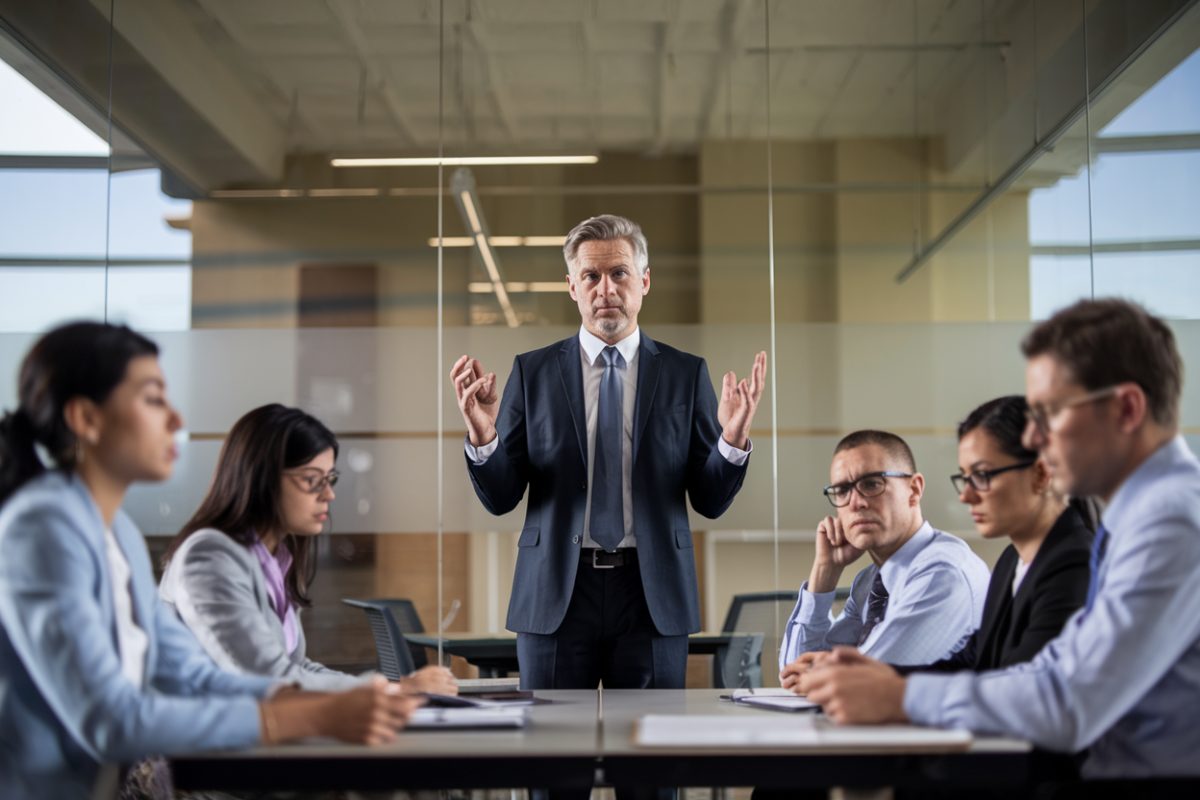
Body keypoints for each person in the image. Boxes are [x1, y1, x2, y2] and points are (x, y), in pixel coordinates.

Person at [0, 322, 419, 800]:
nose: (177, 420)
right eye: (154, 398)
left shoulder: (120, 535)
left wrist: (361, 698)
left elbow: (189, 674)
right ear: (86, 418)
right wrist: (307, 713)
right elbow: (109, 720)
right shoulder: (43, 529)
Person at [803, 298, 1200, 781]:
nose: (1034, 437)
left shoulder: (1170, 520)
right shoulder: (1139, 518)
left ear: (1127, 408)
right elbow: (1048, 670)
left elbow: (1069, 702)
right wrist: (887, 681)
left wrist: (901, 695)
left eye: (1049, 413)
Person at [451, 213, 767, 693]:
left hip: (651, 591)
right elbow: (501, 497)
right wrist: (481, 436)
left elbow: (709, 500)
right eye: (590, 276)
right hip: (557, 587)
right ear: (572, 287)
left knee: (650, 751)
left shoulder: (685, 374)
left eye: (619, 273)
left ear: (643, 281)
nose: (606, 288)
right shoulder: (532, 373)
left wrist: (733, 439)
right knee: (553, 751)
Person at [160, 403, 456, 694]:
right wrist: (390, 690)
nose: (329, 494)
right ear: (263, 477)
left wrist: (391, 687)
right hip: (208, 738)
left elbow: (297, 665)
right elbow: (266, 677)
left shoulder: (276, 560)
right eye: (313, 480)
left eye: (330, 479)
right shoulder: (209, 557)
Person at [893, 396, 1093, 675]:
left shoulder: (1076, 565)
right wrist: (866, 676)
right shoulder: (1012, 559)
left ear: (1041, 474)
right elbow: (976, 660)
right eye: (965, 477)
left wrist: (895, 693)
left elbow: (1020, 688)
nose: (966, 495)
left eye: (982, 475)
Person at [778, 429, 991, 682]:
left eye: (871, 484)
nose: (856, 503)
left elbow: (864, 681)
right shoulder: (870, 582)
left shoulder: (943, 572)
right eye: (843, 490)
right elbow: (792, 673)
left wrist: (818, 673)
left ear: (914, 489)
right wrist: (826, 571)